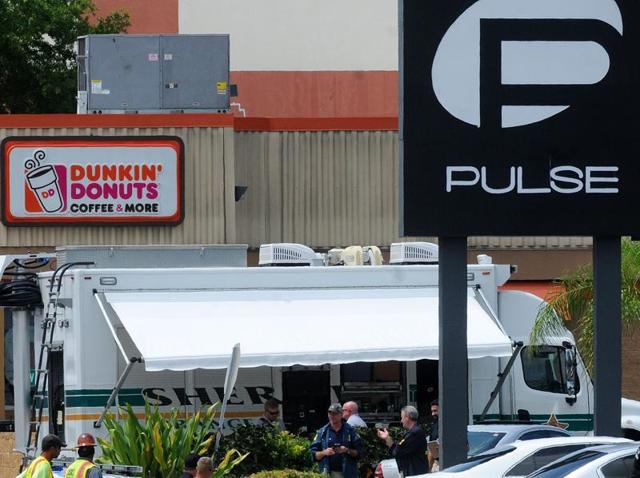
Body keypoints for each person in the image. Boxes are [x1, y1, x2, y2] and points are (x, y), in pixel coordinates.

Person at [310, 403, 364, 478]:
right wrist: (324, 452)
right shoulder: (322, 432)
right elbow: (313, 455)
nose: (332, 416)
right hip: (328, 472)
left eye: (335, 414)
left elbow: (360, 453)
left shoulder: (351, 431)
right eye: (330, 413)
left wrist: (346, 450)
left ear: (341, 415)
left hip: (348, 473)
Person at [377, 405, 428, 477]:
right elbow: (398, 450)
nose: (401, 421)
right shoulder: (413, 432)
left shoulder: (414, 433)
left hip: (416, 473)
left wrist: (387, 439)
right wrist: (387, 438)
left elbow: (397, 452)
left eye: (402, 418)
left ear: (407, 417)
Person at [427, 399, 439, 472]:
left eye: (435, 411)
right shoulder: (434, 426)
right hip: (437, 464)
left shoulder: (452, 426)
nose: (433, 414)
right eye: (432, 411)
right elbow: (431, 450)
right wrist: (429, 469)